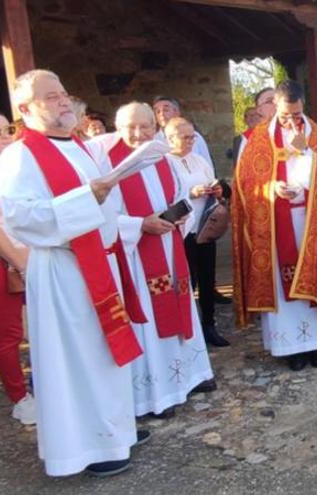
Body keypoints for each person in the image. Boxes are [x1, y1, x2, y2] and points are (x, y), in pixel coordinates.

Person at [0, 69, 152, 477]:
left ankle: (116, 431)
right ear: (26, 108)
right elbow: (20, 218)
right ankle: (86, 447)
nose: (63, 101)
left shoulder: (78, 145)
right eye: (51, 97)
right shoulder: (20, 154)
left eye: (64, 93)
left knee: (104, 353)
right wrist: (89, 196)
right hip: (65, 270)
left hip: (99, 262)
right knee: (78, 359)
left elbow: (103, 205)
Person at [99, 101, 215, 418]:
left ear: (155, 126)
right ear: (118, 128)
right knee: (150, 319)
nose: (138, 134)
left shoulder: (162, 156)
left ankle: (189, 376)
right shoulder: (108, 164)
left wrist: (179, 217)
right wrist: (140, 225)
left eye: (145, 126)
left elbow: (179, 194)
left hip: (169, 245)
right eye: (130, 127)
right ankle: (158, 394)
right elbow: (103, 215)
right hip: (137, 257)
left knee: (181, 306)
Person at [232, 80, 317, 371]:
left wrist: (307, 190)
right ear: (275, 108)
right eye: (285, 115)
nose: (291, 121)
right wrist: (271, 187)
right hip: (275, 223)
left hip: (311, 221)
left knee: (315, 272)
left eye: (296, 114)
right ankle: (291, 348)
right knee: (283, 284)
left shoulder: (314, 134)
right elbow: (245, 183)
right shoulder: (258, 138)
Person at [166, 117, 231, 347]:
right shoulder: (164, 163)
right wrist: (191, 193)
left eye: (193, 136)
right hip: (182, 231)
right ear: (170, 138)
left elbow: (214, 183)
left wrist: (217, 189)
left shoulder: (199, 160)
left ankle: (209, 325)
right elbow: (165, 198)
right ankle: (188, 327)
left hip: (205, 227)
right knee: (187, 281)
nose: (191, 141)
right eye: (186, 137)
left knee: (206, 278)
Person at [0, 110, 34, 425]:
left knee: (35, 327)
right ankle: (20, 398)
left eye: (7, 129)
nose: (5, 136)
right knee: (8, 334)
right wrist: (19, 262)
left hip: (25, 254)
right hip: (1, 261)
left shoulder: (14, 167)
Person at [152, 95, 215, 168]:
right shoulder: (154, 141)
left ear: (177, 113)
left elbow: (207, 163)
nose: (162, 114)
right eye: (158, 112)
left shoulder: (195, 137)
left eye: (166, 110)